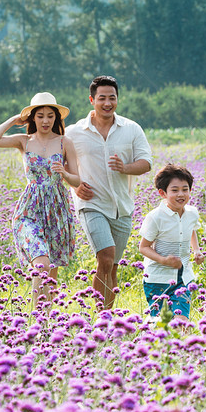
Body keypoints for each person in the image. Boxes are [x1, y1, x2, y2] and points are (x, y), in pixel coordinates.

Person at [66, 75, 153, 310]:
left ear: (117, 100)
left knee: (112, 266)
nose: (107, 103)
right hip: (90, 204)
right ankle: (98, 315)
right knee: (105, 256)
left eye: (112, 98)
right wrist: (74, 186)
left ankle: (107, 317)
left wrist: (125, 167)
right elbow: (60, 165)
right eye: (102, 98)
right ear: (91, 100)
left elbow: (146, 163)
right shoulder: (74, 133)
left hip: (122, 206)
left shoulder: (131, 129)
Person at [0, 92, 80, 304]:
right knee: (42, 264)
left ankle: (46, 322)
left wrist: (63, 173)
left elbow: (77, 181)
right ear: (32, 118)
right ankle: (35, 318)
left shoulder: (65, 143)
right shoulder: (23, 141)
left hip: (57, 210)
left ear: (56, 118)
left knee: (51, 272)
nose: (45, 121)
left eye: (50, 116)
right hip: (29, 210)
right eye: (40, 116)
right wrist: (13, 120)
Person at [138, 164, 205, 322]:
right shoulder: (155, 217)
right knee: (162, 325)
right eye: (174, 190)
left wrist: (196, 251)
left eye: (185, 189)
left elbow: (191, 230)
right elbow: (143, 247)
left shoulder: (192, 213)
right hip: (157, 279)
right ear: (163, 193)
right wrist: (164, 260)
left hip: (183, 278)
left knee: (180, 323)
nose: (181, 194)